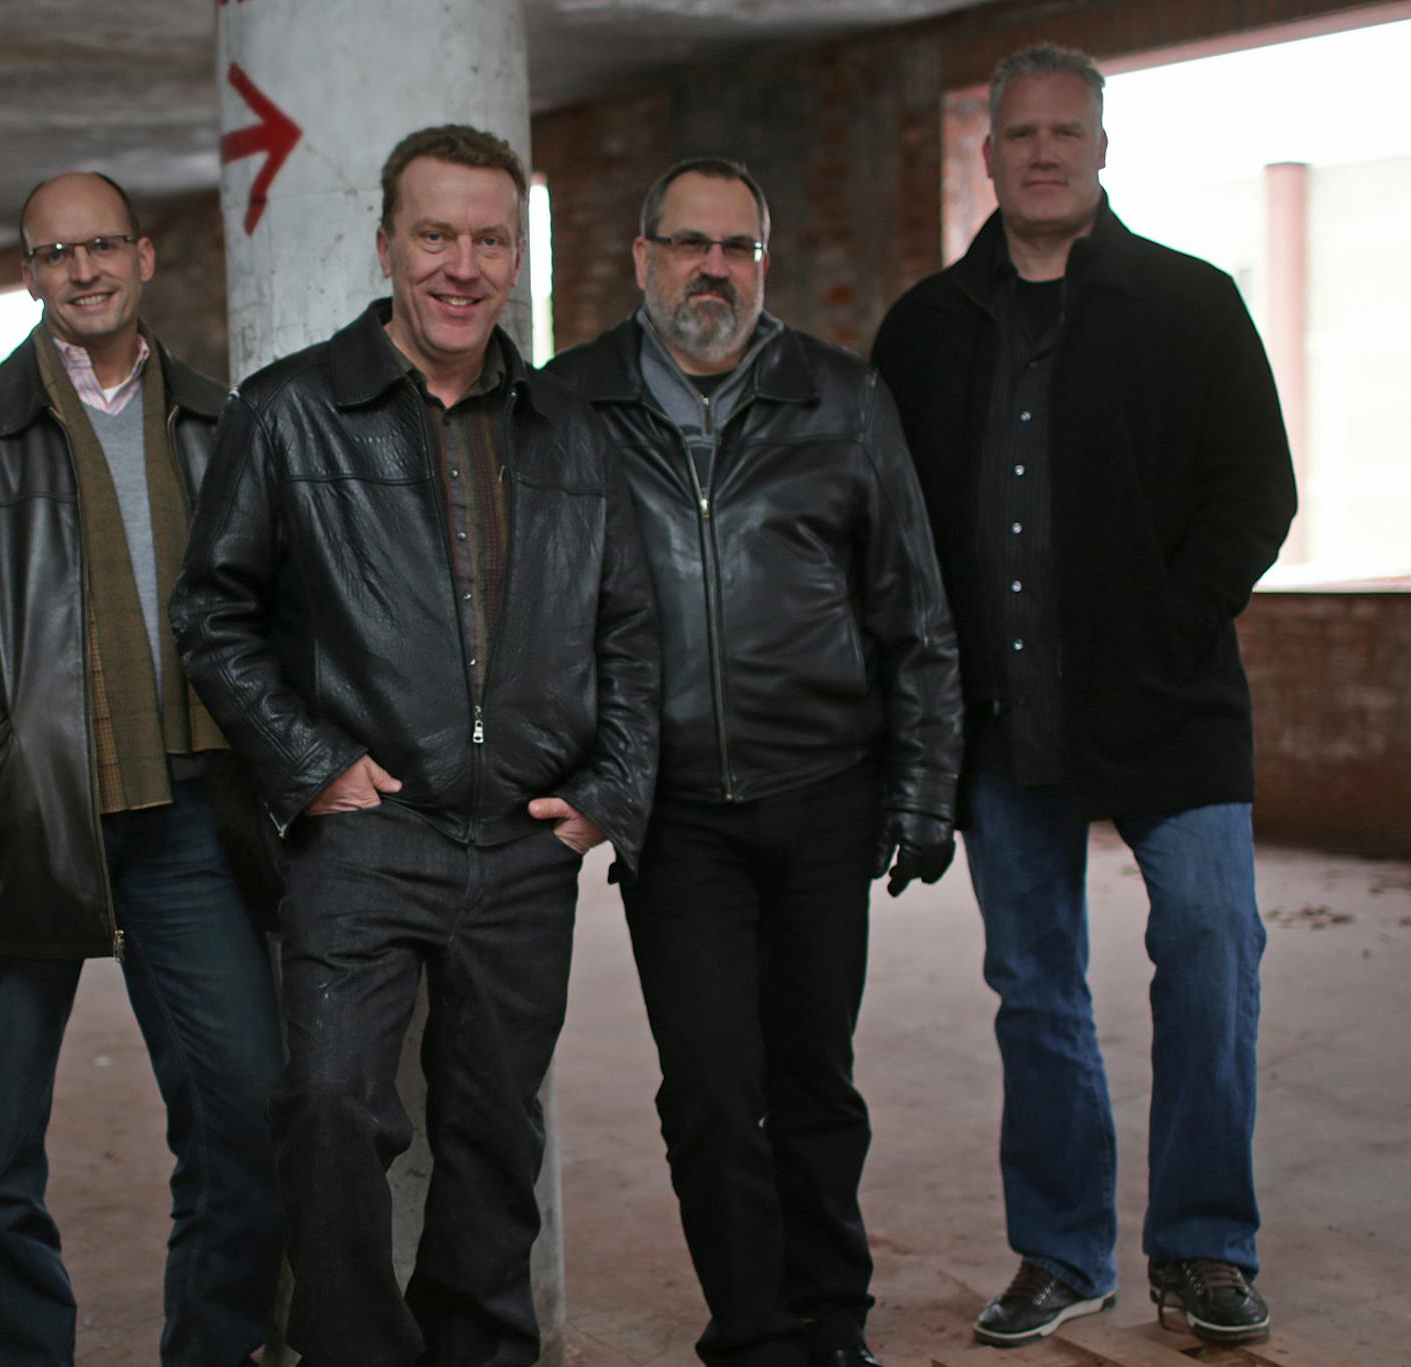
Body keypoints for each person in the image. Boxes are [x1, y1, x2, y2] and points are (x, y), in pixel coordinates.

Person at [171, 124, 660, 1367]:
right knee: (330, 1107)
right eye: (434, 234)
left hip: (524, 839)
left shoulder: (569, 428)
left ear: (516, 257)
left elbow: (634, 632)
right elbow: (212, 615)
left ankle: (482, 1347)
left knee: (497, 1130)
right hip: (366, 834)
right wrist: (306, 763)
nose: (462, 265)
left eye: (489, 239)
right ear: (386, 243)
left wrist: (609, 788)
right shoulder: (291, 413)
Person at [871, 44, 1297, 1349]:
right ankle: (1062, 1249)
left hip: (1170, 702)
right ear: (988, 153)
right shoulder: (928, 327)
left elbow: (1255, 490)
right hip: (1004, 716)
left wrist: (1175, 618)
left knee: (1215, 954)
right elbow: (890, 526)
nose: (1044, 152)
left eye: (1068, 132)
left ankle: (1205, 1245)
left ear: (1102, 150)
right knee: (1036, 982)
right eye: (1021, 134)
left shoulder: (1189, 302)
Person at [0, 171, 283, 1367]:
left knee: (247, 1115)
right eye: (53, 253)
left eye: (101, 246)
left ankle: (214, 1346)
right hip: (30, 826)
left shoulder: (218, 422)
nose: (81, 270)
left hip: (192, 825)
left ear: (145, 258)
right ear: (29, 273)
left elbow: (274, 612)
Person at [545, 158, 961, 1367]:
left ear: (763, 262)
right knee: (715, 1094)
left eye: (737, 246)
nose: (712, 268)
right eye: (688, 244)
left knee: (815, 1082)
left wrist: (926, 788)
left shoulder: (843, 398)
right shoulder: (573, 407)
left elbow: (916, 610)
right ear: (641, 258)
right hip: (674, 818)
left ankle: (832, 1319)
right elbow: (532, 617)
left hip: (826, 793)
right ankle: (756, 1328)